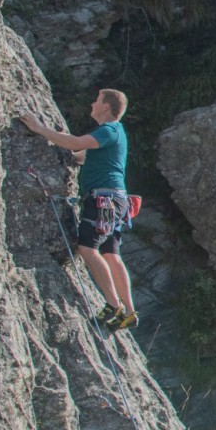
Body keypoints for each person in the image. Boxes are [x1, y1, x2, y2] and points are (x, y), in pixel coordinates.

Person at [20, 89, 138, 329]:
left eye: (97, 100)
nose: (92, 104)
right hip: (115, 200)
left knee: (87, 248)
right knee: (111, 253)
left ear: (106, 107)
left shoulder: (109, 129)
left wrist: (40, 129)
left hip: (103, 199)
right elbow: (82, 154)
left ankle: (113, 304)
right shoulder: (115, 134)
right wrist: (69, 155)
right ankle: (129, 312)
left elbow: (76, 143)